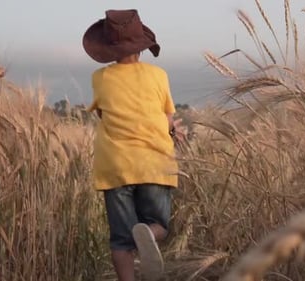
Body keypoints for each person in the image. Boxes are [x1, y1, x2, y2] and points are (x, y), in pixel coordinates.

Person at [82, 9, 179, 281]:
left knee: (121, 242)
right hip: (154, 162)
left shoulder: (100, 78)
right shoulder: (159, 75)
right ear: (142, 46)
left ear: (109, 48)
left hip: (115, 165)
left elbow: (103, 113)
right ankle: (149, 234)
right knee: (159, 223)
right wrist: (168, 128)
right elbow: (168, 119)